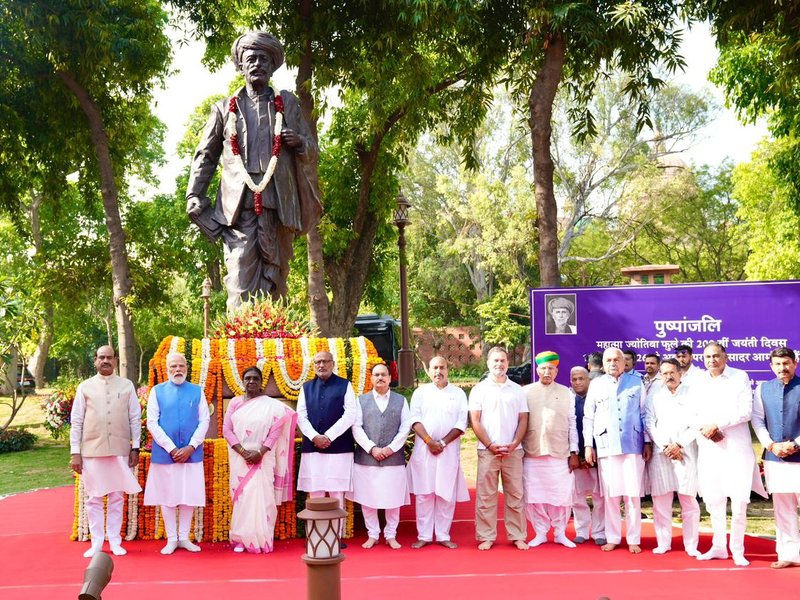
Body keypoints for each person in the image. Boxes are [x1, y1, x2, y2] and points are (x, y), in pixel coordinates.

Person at [186, 31, 321, 310]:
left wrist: (299, 143)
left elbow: (312, 149)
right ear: (241, 65)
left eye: (264, 59)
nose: (258, 63)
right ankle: (241, 346)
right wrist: (194, 194)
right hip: (238, 207)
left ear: (272, 67)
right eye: (252, 59)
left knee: (278, 278)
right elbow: (206, 155)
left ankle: (273, 346)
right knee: (238, 276)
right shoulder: (224, 109)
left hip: (279, 202)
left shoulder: (288, 103)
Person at [694, 342, 766, 566]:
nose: (712, 360)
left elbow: (744, 411)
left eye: (716, 356)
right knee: (714, 501)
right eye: (707, 357)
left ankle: (737, 549)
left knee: (738, 502)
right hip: (709, 447)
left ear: (725, 356)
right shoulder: (698, 380)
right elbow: (692, 411)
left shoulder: (739, 377)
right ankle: (718, 547)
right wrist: (706, 428)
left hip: (735, 448)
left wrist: (717, 425)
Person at [70, 345, 142, 558]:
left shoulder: (126, 385)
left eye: (109, 357)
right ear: (95, 361)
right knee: (93, 498)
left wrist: (135, 446)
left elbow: (135, 418)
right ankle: (96, 542)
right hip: (91, 450)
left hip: (119, 450)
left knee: (116, 497)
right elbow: (76, 421)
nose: (105, 361)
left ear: (115, 360)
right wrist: (75, 452)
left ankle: (115, 540)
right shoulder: (85, 387)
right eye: (101, 357)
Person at [583, 347, 651, 553]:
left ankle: (633, 539)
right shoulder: (596, 385)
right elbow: (589, 417)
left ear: (624, 362)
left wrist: (647, 441)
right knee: (611, 495)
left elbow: (644, 413)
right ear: (603, 364)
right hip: (606, 446)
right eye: (609, 360)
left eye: (617, 360)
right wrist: (588, 445)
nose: (613, 363)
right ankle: (612, 537)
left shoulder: (637, 382)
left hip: (632, 444)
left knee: (632, 495)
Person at [223, 366, 296, 553]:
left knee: (264, 497)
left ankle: (262, 538)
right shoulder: (235, 403)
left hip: (263, 458)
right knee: (242, 497)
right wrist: (243, 451)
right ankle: (240, 538)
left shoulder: (272, 405)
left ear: (261, 381)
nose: (251, 382)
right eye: (248, 378)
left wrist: (260, 452)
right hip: (240, 457)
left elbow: (276, 431)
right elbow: (227, 430)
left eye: (255, 378)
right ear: (242, 381)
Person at [144, 353, 210, 555]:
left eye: (181, 365)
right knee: (168, 495)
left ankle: (184, 537)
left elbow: (204, 421)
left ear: (187, 368)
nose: (178, 369)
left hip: (191, 453)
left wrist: (191, 446)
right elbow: (152, 423)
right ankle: (172, 539)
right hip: (166, 454)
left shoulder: (197, 391)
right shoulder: (157, 391)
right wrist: (171, 448)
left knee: (188, 495)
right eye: (173, 366)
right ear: (167, 368)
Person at [468, 347, 529, 551]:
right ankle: (486, 535)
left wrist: (514, 443)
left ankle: (518, 535)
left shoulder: (517, 389)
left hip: (513, 450)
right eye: (495, 361)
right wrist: (489, 444)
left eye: (502, 360)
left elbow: (523, 419)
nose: (499, 365)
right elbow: (475, 420)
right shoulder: (480, 389)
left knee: (516, 494)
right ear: (488, 363)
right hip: (487, 451)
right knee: (486, 496)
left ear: (507, 363)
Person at [407, 356, 469, 549]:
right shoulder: (420, 392)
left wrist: (442, 443)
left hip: (448, 450)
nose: (438, 371)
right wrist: (429, 441)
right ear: (428, 370)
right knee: (425, 494)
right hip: (424, 450)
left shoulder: (458, 393)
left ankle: (443, 535)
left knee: (445, 493)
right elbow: (414, 419)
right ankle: (424, 535)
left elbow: (461, 422)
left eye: (442, 367)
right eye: (434, 368)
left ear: (448, 369)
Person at [521, 351, 579, 548]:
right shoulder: (526, 392)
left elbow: (572, 423)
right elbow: (519, 423)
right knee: (535, 495)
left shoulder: (566, 392)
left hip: (560, 453)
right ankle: (540, 532)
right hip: (532, 452)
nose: (547, 372)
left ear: (557, 371)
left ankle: (560, 532)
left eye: (551, 368)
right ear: (537, 369)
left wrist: (574, 452)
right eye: (544, 368)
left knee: (560, 496)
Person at [297, 350, 356, 540]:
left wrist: (329, 436)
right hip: (313, 448)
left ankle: (335, 537)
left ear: (332, 363)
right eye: (317, 362)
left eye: (325, 362)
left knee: (337, 493)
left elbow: (350, 414)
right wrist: (315, 437)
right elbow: (301, 416)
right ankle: (317, 536)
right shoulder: (306, 388)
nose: (321, 365)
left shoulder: (345, 385)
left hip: (339, 448)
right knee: (315, 492)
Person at [644, 358, 700, 556]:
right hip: (662, 453)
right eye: (664, 373)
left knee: (688, 500)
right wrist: (665, 445)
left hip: (686, 451)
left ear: (680, 373)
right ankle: (663, 542)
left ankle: (691, 545)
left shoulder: (693, 393)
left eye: (672, 372)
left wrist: (679, 444)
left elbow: (697, 422)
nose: (668, 376)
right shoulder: (655, 395)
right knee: (661, 501)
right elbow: (649, 422)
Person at [351, 363, 411, 549]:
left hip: (393, 459)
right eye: (376, 374)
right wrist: (372, 448)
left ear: (390, 378)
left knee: (393, 499)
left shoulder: (401, 400)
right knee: (368, 499)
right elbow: (356, 427)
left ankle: (391, 534)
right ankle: (373, 534)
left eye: (383, 374)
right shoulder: (360, 401)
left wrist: (390, 449)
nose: (380, 378)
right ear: (371, 378)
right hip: (367, 458)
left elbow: (405, 427)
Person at [751, 347, 800, 569]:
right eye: (778, 364)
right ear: (771, 366)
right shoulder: (763, 389)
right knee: (783, 508)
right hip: (774, 458)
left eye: (787, 363)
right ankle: (789, 554)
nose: (783, 367)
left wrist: (795, 444)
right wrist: (771, 444)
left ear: (795, 363)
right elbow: (758, 420)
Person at [570, 366, 606, 546]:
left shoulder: (598, 400)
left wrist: (594, 452)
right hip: (576, 456)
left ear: (589, 380)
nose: (578, 382)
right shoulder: (568, 400)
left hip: (597, 455)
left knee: (600, 497)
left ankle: (600, 531)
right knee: (577, 497)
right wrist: (575, 453)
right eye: (574, 379)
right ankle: (581, 530)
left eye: (581, 379)